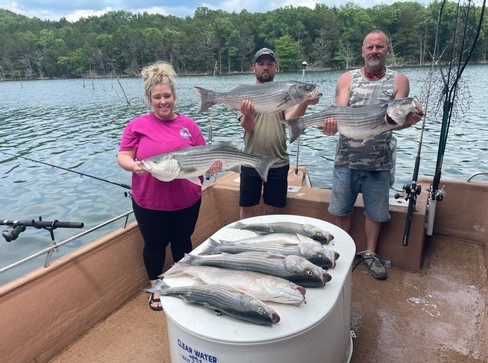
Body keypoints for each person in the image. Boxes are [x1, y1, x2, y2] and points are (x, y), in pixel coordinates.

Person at [117, 61, 221, 311]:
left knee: (182, 242)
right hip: (149, 200)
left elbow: (205, 156)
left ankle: (181, 282)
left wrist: (214, 165)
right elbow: (123, 155)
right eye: (157, 97)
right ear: (149, 100)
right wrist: (133, 166)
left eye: (167, 95)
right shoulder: (136, 126)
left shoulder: (189, 126)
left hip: (186, 199)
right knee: (154, 245)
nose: (163, 101)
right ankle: (157, 287)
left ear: (174, 97)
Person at [323, 30, 422, 280]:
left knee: (376, 213)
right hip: (346, 158)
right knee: (341, 209)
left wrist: (410, 120)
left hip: (380, 161)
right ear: (363, 51)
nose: (375, 51)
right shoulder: (348, 78)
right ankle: (341, 252)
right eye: (370, 47)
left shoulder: (399, 80)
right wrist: (330, 124)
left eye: (380, 47)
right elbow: (339, 113)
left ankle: (370, 253)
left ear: (387, 50)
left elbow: (396, 120)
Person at [238, 48, 319, 219]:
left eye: (269, 64)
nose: (265, 67)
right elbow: (248, 128)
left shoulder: (286, 91)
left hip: (278, 160)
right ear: (254, 67)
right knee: (247, 206)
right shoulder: (244, 92)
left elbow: (290, 118)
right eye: (261, 64)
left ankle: (269, 239)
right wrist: (248, 114)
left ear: (276, 67)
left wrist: (304, 101)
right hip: (250, 159)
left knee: (273, 208)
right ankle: (244, 241)